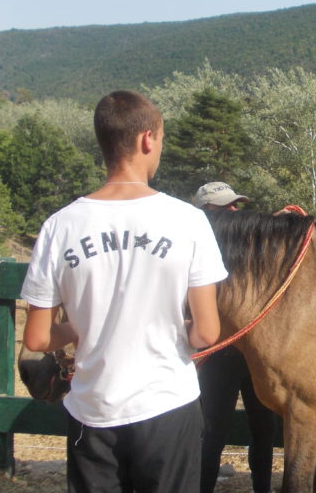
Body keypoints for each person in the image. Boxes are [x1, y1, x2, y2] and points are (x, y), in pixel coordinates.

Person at [21, 89, 227, 493]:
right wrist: (167, 327)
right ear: (147, 139)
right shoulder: (188, 221)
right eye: (161, 140)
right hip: (166, 404)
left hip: (91, 412)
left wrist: (80, 328)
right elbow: (206, 333)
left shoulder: (59, 226)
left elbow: (37, 337)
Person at [193, 181, 276, 493]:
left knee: (264, 428)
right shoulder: (197, 249)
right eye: (224, 207)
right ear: (203, 213)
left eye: (235, 206)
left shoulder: (251, 244)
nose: (233, 211)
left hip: (254, 349)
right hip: (220, 350)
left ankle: (263, 489)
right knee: (212, 430)